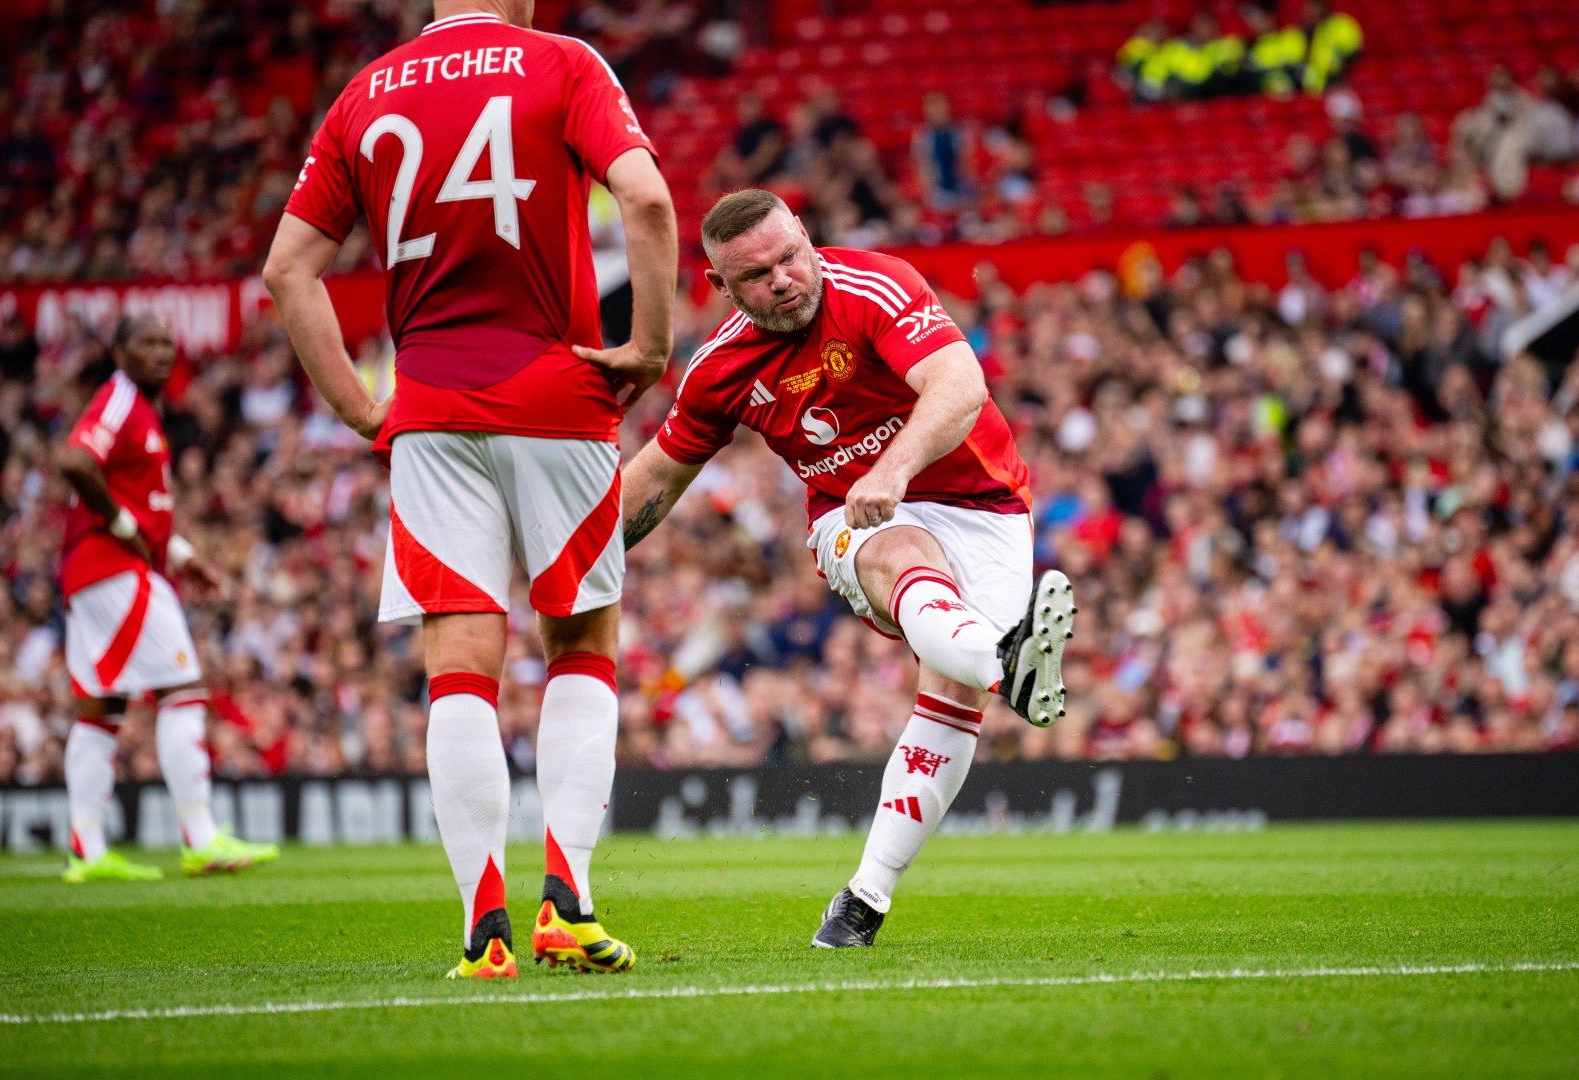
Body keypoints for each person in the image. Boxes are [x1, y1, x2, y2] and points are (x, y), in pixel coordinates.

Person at [263, 0, 677, 980]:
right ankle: (566, 903)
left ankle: (481, 928)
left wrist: (365, 410)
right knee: (580, 639)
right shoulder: (559, 61)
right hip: (560, 388)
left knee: (459, 658)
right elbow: (650, 202)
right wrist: (651, 345)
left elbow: (288, 270)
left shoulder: (364, 94)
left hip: (431, 405)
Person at [612, 189, 1073, 948]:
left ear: (805, 234)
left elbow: (959, 388)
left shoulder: (876, 286)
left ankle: (862, 900)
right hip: (852, 517)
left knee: (952, 698)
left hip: (985, 503)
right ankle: (1009, 662)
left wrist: (892, 470)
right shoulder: (720, 368)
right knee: (901, 553)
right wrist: (567, 561)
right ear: (720, 286)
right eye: (756, 275)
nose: (785, 278)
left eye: (791, 254)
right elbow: (656, 479)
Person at [58, 313, 278, 882]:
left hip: (93, 572)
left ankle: (87, 849)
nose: (161, 351)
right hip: (114, 566)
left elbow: (143, 509)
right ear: (120, 350)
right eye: (146, 343)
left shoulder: (142, 411)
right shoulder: (119, 400)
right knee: (183, 690)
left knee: (101, 712)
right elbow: (76, 461)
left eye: (166, 343)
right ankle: (200, 838)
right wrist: (121, 526)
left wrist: (179, 555)